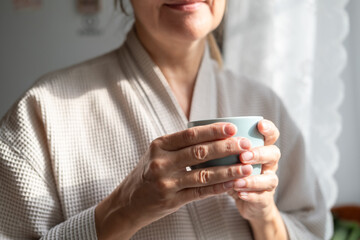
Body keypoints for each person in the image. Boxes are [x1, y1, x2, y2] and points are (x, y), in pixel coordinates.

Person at [0, 0, 332, 239]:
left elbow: (315, 230)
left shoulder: (265, 105)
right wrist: (124, 210)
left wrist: (266, 218)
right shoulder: (41, 113)